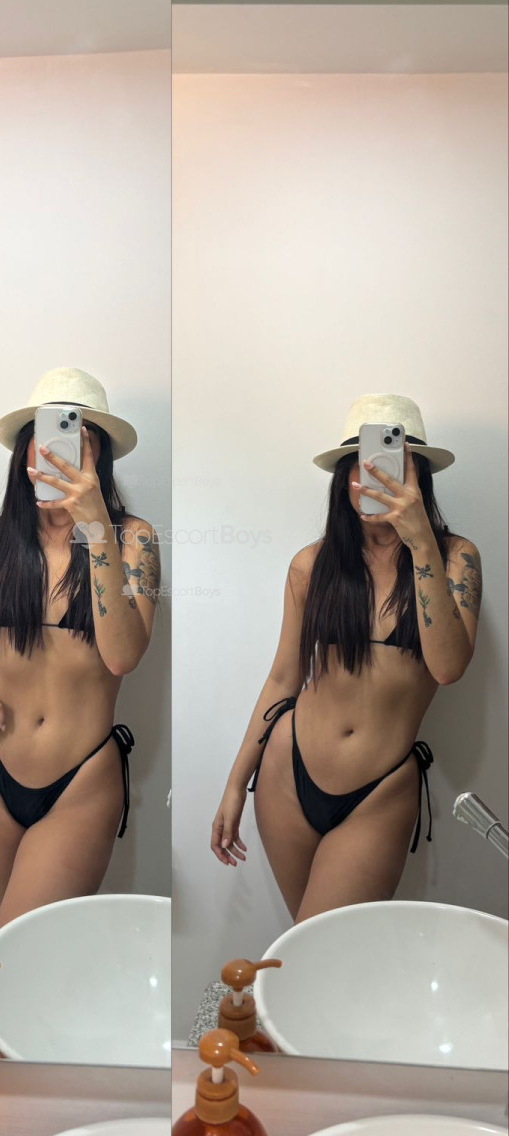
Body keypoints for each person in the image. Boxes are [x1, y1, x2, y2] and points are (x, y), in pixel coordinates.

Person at [211, 395, 481, 924]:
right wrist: (234, 784)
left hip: (379, 791)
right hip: (286, 774)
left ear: (419, 477)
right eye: (361, 464)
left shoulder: (456, 558)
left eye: (390, 465)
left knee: (333, 945)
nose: (373, 478)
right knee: (305, 945)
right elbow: (283, 679)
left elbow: (448, 668)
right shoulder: (311, 565)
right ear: (343, 477)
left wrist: (420, 543)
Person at [0, 367, 160, 931]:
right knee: (22, 947)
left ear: (100, 456)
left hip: (80, 781)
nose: (59, 451)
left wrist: (96, 528)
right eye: (48, 435)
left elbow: (123, 657)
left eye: (79, 440)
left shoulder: (134, 539)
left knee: (24, 945)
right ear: (25, 451)